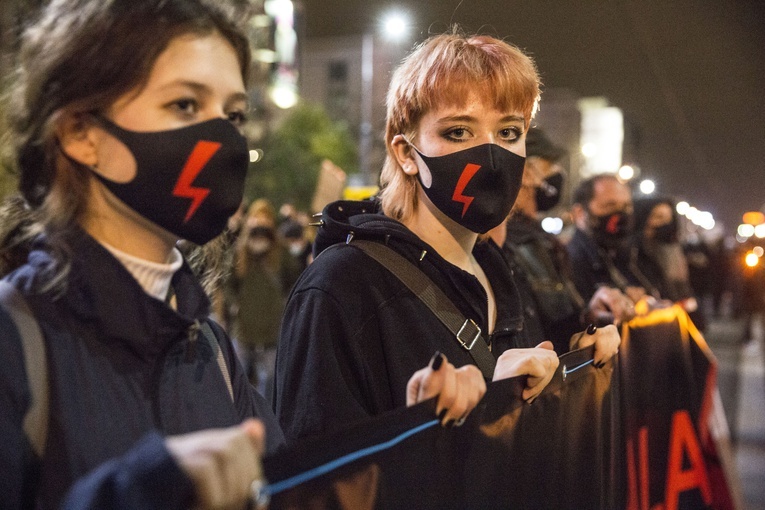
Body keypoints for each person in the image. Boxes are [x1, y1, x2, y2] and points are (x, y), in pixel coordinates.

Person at [0, 2, 482, 508]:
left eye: (232, 114)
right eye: (186, 105)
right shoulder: (16, 343)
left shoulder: (208, 347)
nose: (224, 138)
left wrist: (413, 425)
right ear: (80, 132)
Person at [274, 32, 620, 442]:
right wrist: (454, 417)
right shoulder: (341, 287)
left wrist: (574, 362)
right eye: (458, 132)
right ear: (405, 154)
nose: (491, 156)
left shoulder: (497, 270)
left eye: (509, 132)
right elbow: (321, 486)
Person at [488, 128, 635, 353]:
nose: (557, 173)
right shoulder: (511, 240)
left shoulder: (538, 239)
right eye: (550, 165)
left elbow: (555, 322)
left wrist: (589, 316)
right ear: (527, 172)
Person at [567, 174, 659, 305]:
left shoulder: (630, 254)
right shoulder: (567, 262)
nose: (621, 215)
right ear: (580, 213)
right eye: (610, 206)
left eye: (626, 206)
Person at [229, 199, 285, 398]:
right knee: (237, 380)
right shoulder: (240, 251)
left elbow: (293, 278)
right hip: (243, 330)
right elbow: (227, 285)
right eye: (256, 218)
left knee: (270, 381)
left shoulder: (280, 252)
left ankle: (265, 421)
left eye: (265, 218)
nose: (261, 223)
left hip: (271, 331)